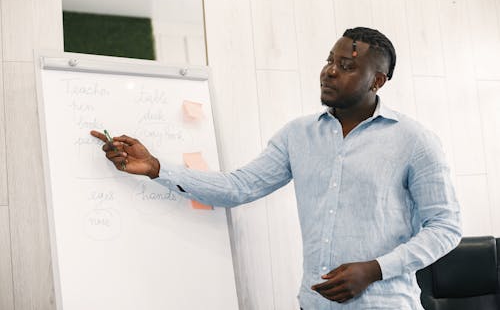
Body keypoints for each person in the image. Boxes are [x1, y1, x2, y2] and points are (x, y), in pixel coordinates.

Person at [91, 27, 461, 309]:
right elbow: (238, 187)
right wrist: (157, 168)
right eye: (329, 60)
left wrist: (375, 269)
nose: (329, 72)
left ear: (377, 80)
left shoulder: (414, 140)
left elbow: (446, 227)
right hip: (313, 303)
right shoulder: (298, 135)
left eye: (346, 66)